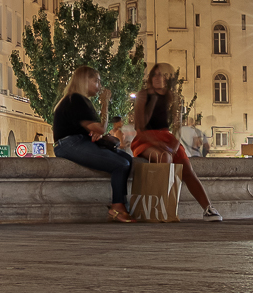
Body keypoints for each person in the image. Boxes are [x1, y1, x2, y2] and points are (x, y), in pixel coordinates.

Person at [130, 63, 221, 219]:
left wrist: (175, 144)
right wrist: (152, 101)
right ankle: (162, 208)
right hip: (145, 138)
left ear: (168, 78)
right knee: (164, 157)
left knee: (187, 169)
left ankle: (208, 208)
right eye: (155, 74)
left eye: (162, 75)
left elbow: (178, 126)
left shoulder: (173, 97)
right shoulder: (143, 95)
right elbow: (140, 125)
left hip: (167, 138)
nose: (158, 78)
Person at [53, 67, 136, 223]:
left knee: (127, 158)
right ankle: (117, 207)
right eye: (96, 80)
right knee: (121, 163)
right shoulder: (76, 99)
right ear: (84, 81)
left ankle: (122, 204)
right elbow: (101, 128)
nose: (99, 85)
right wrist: (105, 103)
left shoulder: (76, 100)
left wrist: (96, 131)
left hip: (77, 140)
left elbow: (92, 128)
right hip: (69, 143)